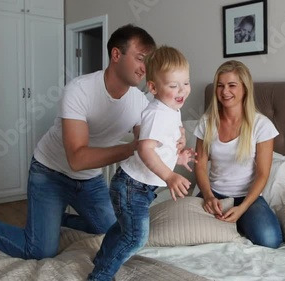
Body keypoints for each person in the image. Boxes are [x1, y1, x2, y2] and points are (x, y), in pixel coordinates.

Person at [0, 24, 182, 260]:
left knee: (114, 228)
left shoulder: (140, 102)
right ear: (116, 55)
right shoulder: (79, 90)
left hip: (89, 179)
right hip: (49, 173)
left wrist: (177, 137)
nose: (146, 68)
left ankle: (55, 221)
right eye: (140, 58)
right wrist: (132, 148)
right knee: (40, 251)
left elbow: (147, 140)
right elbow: (77, 158)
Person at [88, 46, 195, 281]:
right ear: (154, 88)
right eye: (173, 85)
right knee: (136, 237)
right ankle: (100, 276)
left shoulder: (172, 109)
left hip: (140, 189)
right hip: (131, 187)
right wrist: (169, 176)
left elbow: (160, 150)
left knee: (123, 228)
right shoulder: (158, 112)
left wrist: (179, 157)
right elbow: (145, 149)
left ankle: (101, 258)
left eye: (185, 83)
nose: (182, 91)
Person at [193, 60, 282, 249]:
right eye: (220, 86)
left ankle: (240, 220)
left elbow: (263, 174)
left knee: (270, 240)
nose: (225, 92)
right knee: (185, 231)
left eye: (232, 85)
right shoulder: (207, 122)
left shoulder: (261, 125)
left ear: (245, 88)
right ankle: (231, 222)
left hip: (246, 196)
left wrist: (242, 209)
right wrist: (208, 196)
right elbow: (200, 164)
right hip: (214, 193)